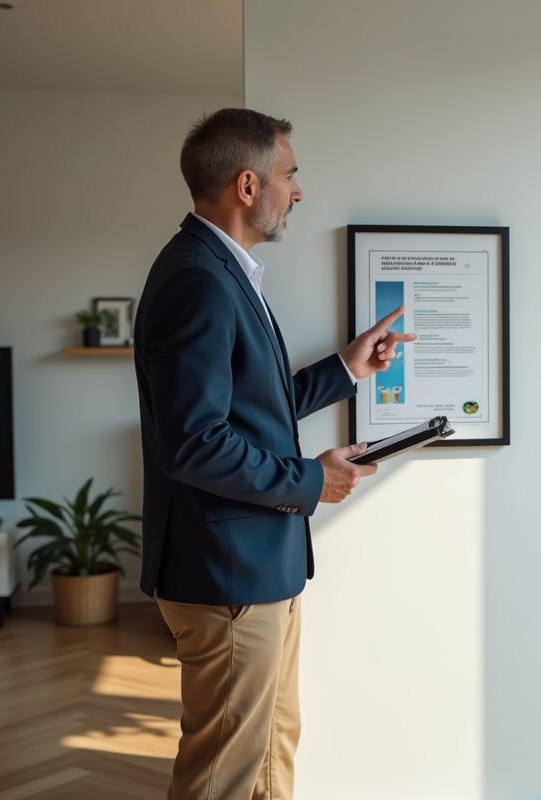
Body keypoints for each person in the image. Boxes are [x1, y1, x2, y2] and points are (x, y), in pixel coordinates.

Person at [133, 107, 415, 800]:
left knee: (268, 750)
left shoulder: (219, 271)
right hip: (227, 575)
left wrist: (346, 369)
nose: (300, 191)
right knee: (225, 772)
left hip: (257, 570)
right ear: (248, 185)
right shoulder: (197, 279)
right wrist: (310, 480)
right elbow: (194, 442)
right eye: (291, 175)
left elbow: (251, 405)